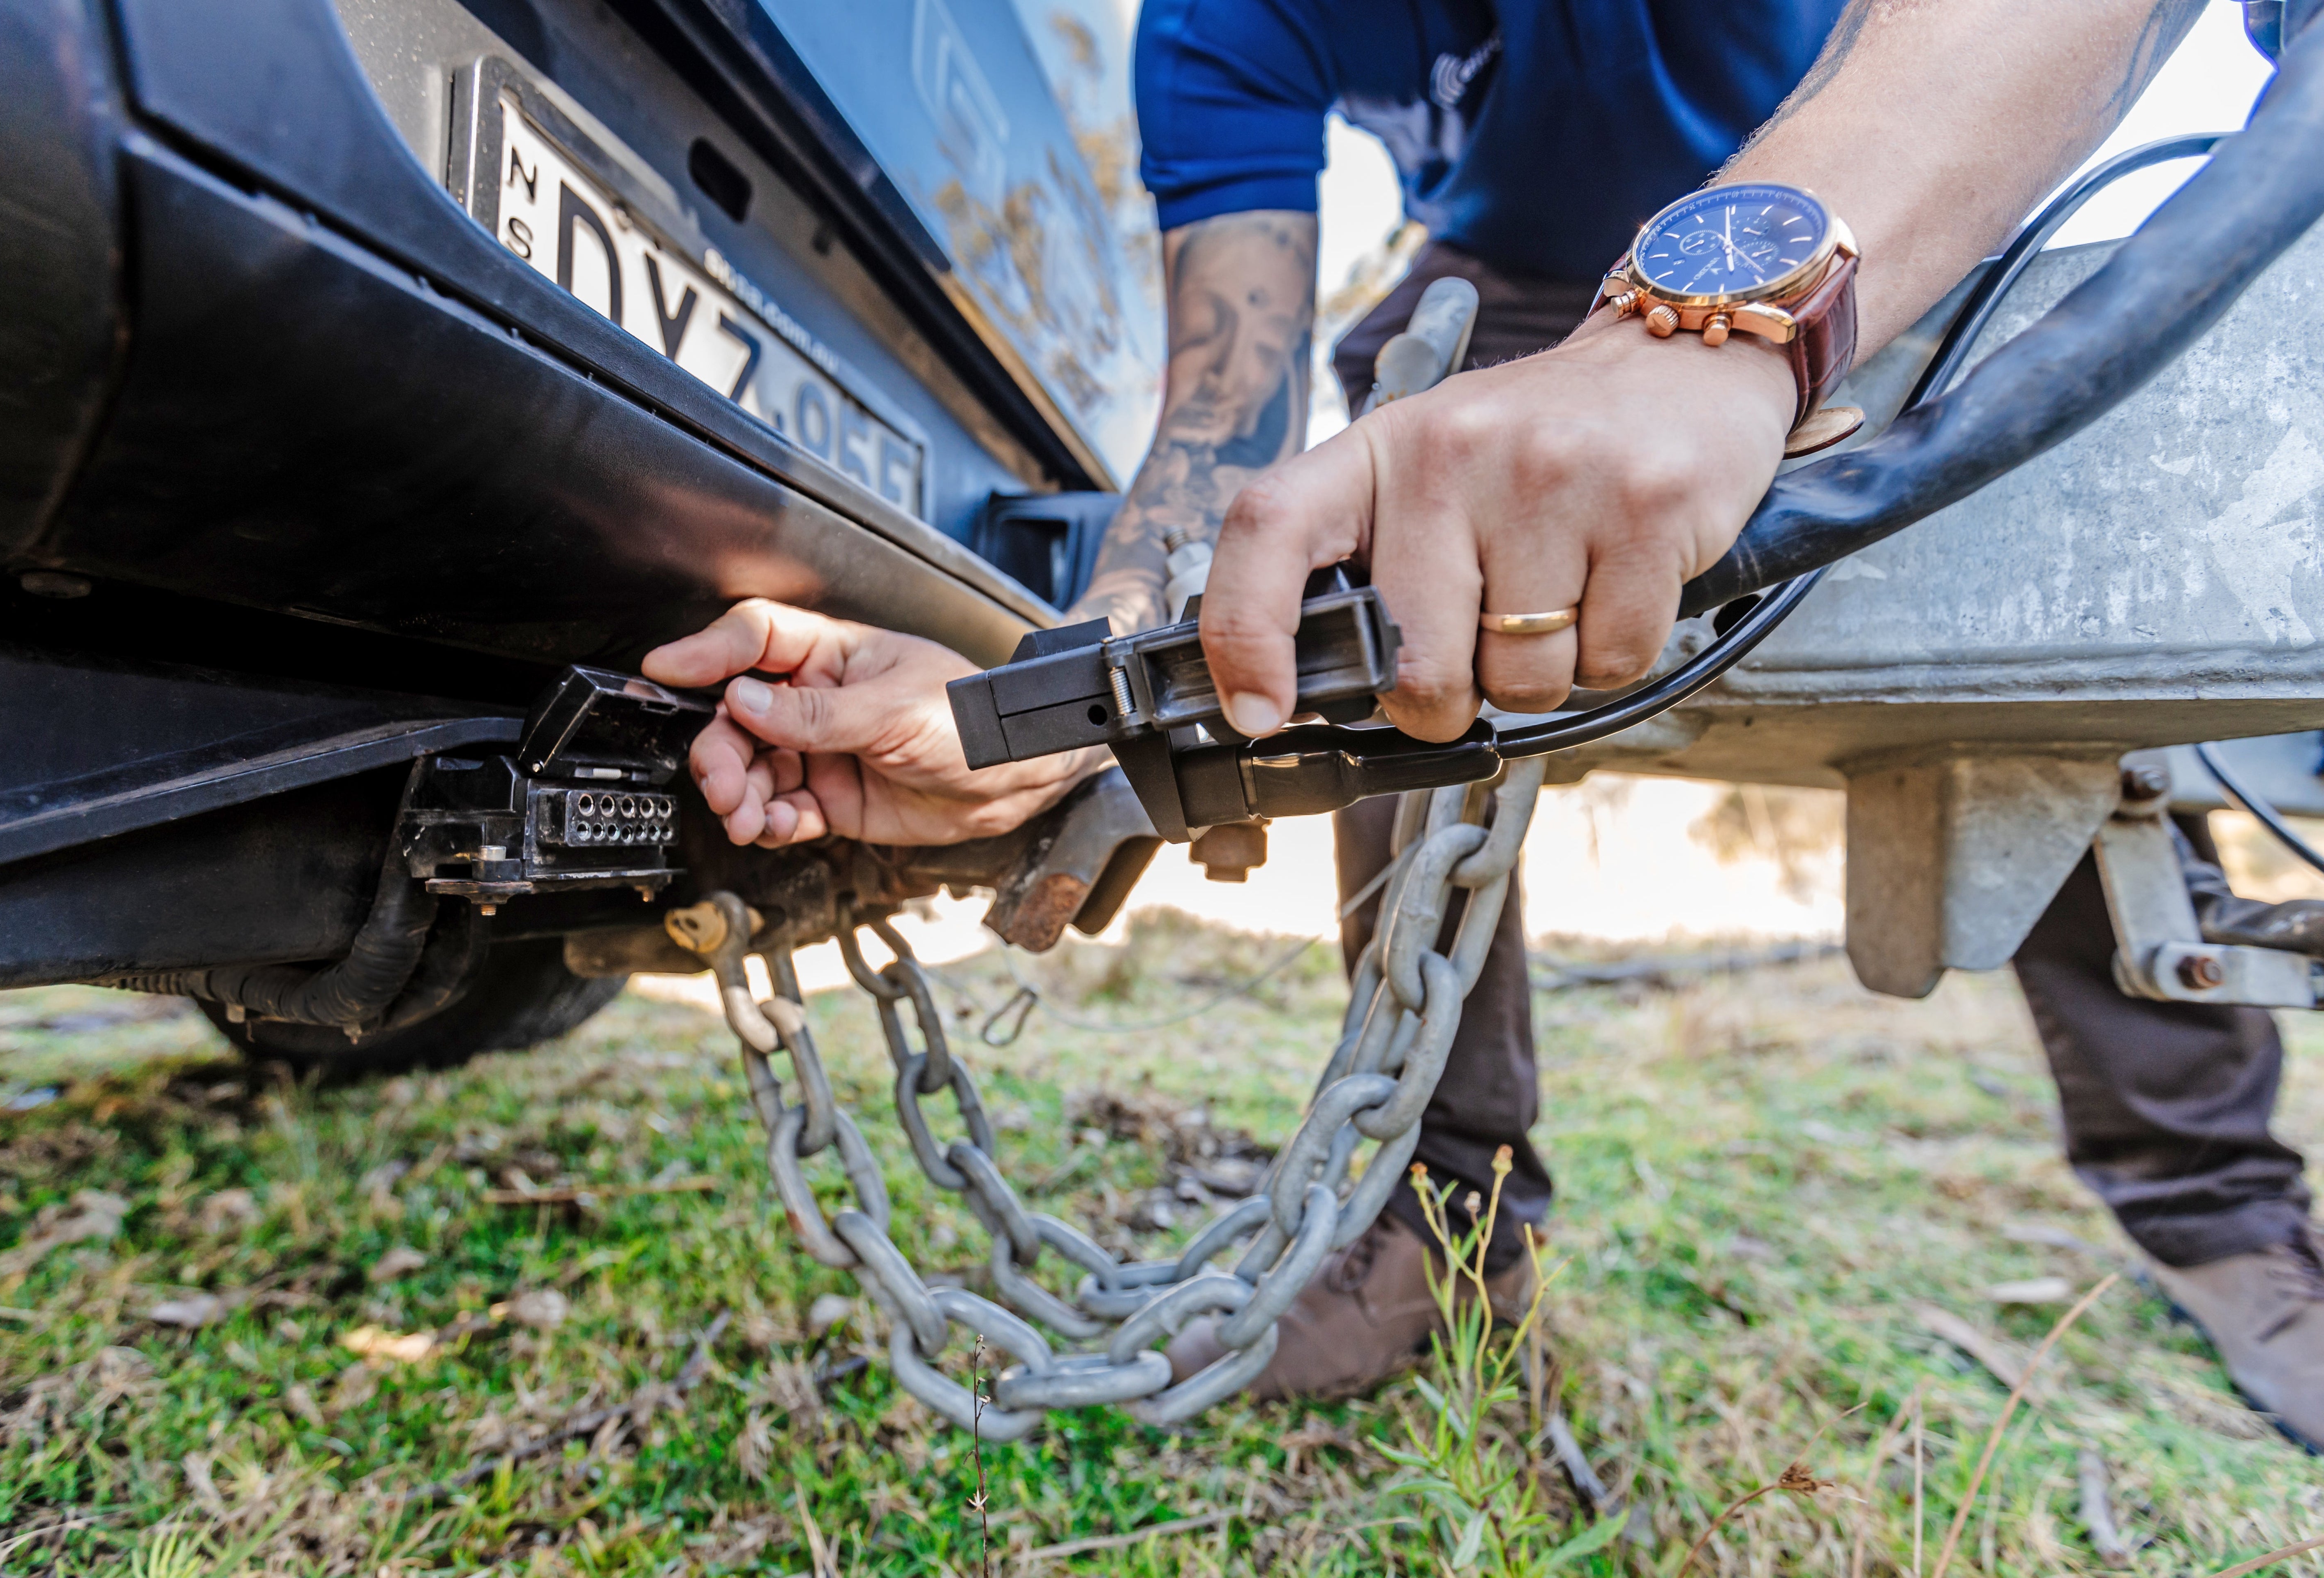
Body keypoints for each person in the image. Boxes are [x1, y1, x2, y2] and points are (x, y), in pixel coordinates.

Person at [645, 0, 2324, 1446]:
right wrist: (1043, 709)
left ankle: (2222, 1211)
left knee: (2043, 609)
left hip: (1881, 226)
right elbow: (1215, 437)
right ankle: (1443, 1221)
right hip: (1516, 288)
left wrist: (1714, 318)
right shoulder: (1219, 28)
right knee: (1389, 521)